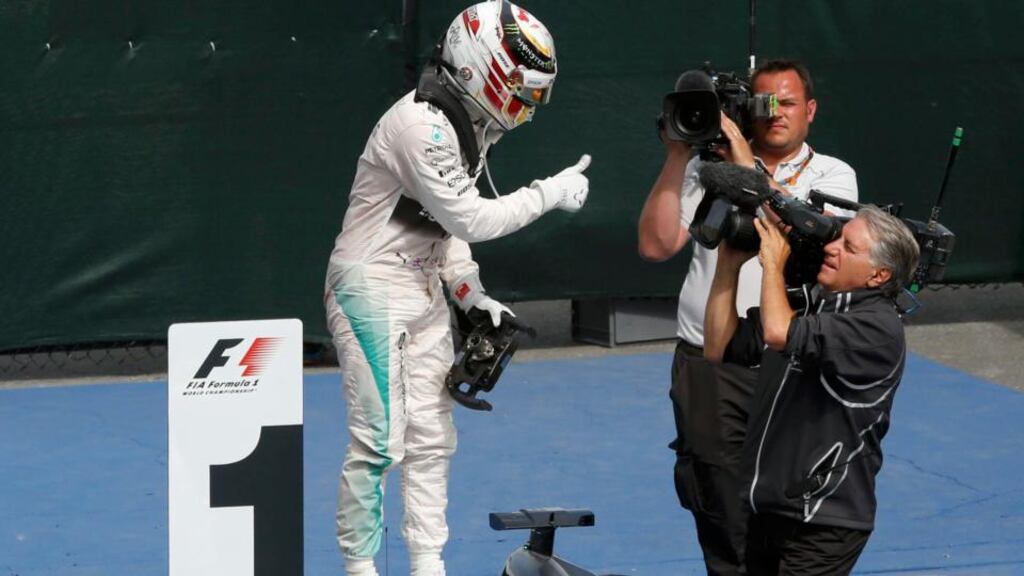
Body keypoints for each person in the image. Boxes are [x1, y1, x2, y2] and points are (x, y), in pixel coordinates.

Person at [323, 2, 591, 575]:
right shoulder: (421, 125)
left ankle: (427, 564)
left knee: (431, 437)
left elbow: (443, 230)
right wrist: (549, 191)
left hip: (419, 286)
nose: (525, 105)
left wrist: (468, 291)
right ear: (481, 67)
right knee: (379, 441)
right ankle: (359, 569)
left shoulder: (469, 123)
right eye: (520, 88)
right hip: (369, 284)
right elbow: (470, 218)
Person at [637, 59, 858, 574]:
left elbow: (812, 235)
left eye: (788, 102)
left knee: (789, 496)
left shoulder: (833, 173)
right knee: (715, 496)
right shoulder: (705, 168)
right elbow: (655, 244)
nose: (776, 113)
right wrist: (677, 156)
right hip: (709, 361)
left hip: (791, 358)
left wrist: (743, 166)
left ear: (811, 110)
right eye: (765, 103)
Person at [703, 205, 920, 575]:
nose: (832, 247)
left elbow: (778, 333)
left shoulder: (878, 329)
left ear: (878, 275)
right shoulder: (813, 304)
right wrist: (729, 262)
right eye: (838, 237)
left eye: (849, 248)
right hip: (769, 507)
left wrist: (772, 265)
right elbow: (718, 345)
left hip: (824, 519)